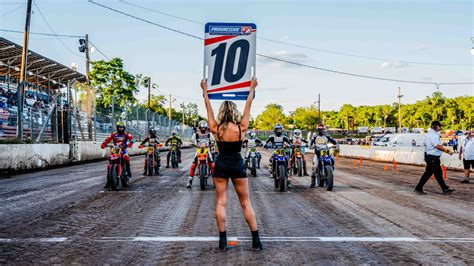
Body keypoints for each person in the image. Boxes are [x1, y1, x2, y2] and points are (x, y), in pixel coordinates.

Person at [201, 78, 262, 251]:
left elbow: (208, 107)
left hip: (221, 164)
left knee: (221, 203)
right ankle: (256, 241)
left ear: (222, 112)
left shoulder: (215, 128)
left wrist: (205, 90)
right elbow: (248, 105)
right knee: (246, 203)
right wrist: (251, 88)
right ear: (234, 111)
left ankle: (222, 242)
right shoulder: (241, 127)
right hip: (237, 164)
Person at [415, 121, 455, 195]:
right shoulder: (433, 135)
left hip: (430, 156)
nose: (440, 128)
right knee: (429, 173)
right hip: (432, 157)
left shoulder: (429, 134)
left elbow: (437, 139)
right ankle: (418, 187)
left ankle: (444, 188)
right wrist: (448, 151)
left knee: (437, 173)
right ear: (436, 126)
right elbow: (438, 146)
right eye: (440, 126)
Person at [100, 121, 135, 187]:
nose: (121, 128)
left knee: (126, 158)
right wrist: (104, 144)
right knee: (109, 163)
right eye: (119, 127)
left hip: (123, 149)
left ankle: (128, 171)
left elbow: (133, 139)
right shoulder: (114, 134)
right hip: (115, 149)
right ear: (117, 127)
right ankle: (108, 181)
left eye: (122, 127)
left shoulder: (126, 134)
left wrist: (129, 144)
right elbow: (107, 139)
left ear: (124, 128)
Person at [187, 120, 216, 188]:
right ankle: (189, 182)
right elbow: (192, 139)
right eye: (201, 127)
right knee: (193, 165)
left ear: (206, 127)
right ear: (199, 127)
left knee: (212, 165)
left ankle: (215, 182)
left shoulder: (209, 133)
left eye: (204, 127)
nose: (203, 129)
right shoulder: (196, 133)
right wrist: (194, 143)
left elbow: (213, 140)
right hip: (198, 149)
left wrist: (212, 143)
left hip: (207, 149)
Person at [310, 124, 338, 188]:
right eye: (320, 129)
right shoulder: (315, 136)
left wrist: (336, 144)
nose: (321, 130)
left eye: (322, 129)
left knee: (332, 160)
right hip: (317, 153)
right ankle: (313, 182)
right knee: (315, 166)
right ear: (317, 129)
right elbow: (311, 142)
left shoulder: (326, 135)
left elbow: (333, 140)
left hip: (325, 152)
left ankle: (329, 172)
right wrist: (310, 145)